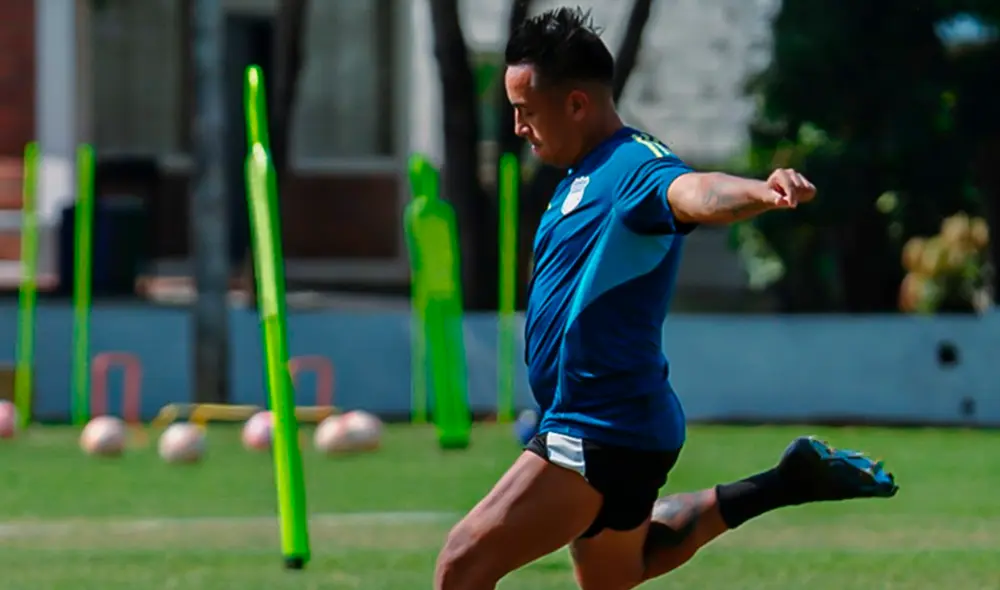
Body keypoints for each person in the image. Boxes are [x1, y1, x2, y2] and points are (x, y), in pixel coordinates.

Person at [434, 7, 898, 590]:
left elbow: (693, 191)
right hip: (629, 425)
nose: (518, 127)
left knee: (460, 565)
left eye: (526, 112)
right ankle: (784, 483)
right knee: (619, 571)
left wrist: (760, 190)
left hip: (596, 423)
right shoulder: (580, 175)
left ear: (576, 104)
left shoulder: (633, 166)